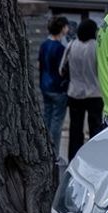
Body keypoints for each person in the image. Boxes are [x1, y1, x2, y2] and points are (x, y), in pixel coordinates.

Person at [60, 19, 103, 160]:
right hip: (95, 94)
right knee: (95, 130)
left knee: (75, 130)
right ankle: (94, 159)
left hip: (74, 93)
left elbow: (62, 70)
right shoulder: (98, 47)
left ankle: (73, 160)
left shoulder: (71, 45)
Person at [38, 16, 71, 148]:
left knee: (46, 117)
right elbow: (62, 70)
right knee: (57, 122)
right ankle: (54, 150)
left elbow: (40, 64)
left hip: (45, 86)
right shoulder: (60, 48)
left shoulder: (44, 45)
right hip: (58, 88)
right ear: (62, 28)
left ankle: (43, 147)